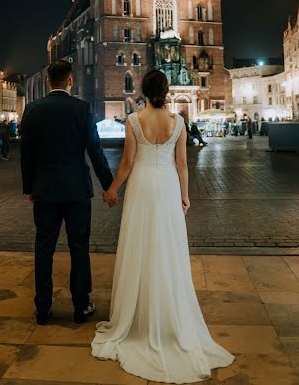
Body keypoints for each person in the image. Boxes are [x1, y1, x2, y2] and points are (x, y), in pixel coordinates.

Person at [92, 70, 235, 383]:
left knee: (139, 245)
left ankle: (138, 313)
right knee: (167, 247)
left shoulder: (132, 120)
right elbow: (182, 164)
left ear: (143, 90)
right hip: (168, 186)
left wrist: (113, 188)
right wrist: (184, 196)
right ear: (167, 92)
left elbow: (127, 163)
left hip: (142, 186)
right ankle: (169, 314)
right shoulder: (179, 122)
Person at [20, 60, 113, 326]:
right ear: (70, 81)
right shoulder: (81, 109)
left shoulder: (32, 110)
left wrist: (29, 187)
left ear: (49, 81)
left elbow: (26, 155)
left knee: (44, 248)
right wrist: (109, 185)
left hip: (45, 191)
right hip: (76, 191)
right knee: (79, 248)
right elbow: (95, 151)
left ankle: (42, 307)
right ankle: (81, 305)